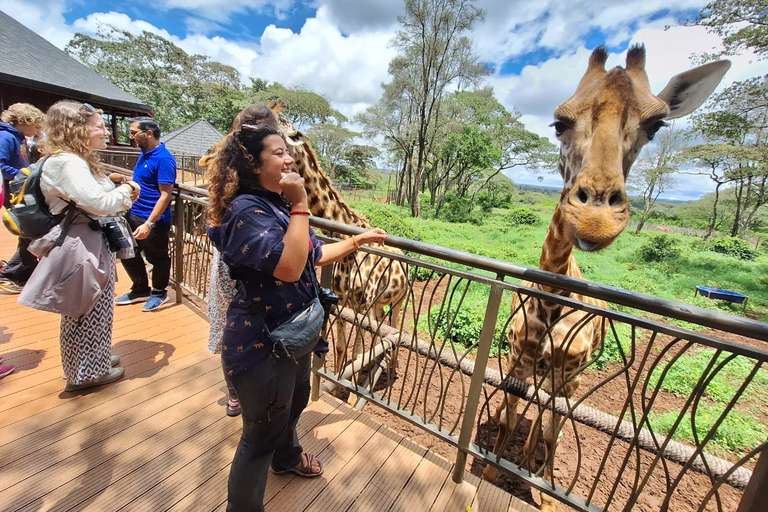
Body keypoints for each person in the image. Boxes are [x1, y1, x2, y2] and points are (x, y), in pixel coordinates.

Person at [206, 108, 387, 512]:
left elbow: (313, 254)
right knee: (258, 437)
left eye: (287, 151)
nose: (289, 159)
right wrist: (302, 202)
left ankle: (286, 459)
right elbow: (288, 269)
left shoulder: (273, 205)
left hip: (291, 337)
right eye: (277, 153)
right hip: (262, 343)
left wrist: (359, 240)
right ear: (253, 165)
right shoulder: (246, 212)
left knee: (294, 404)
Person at [17, 101, 140, 392]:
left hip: (85, 241)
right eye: (98, 126)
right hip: (81, 244)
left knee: (89, 308)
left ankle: (92, 361)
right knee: (86, 310)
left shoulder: (66, 159)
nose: (105, 133)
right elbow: (100, 204)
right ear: (77, 129)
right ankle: (84, 374)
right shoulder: (69, 162)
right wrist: (127, 190)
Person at [201, 103, 282, 419]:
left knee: (229, 329)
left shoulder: (226, 161)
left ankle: (236, 396)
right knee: (265, 327)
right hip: (259, 258)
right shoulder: (266, 169)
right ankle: (264, 397)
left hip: (227, 259)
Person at [114, 117, 176, 312]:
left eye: (134, 133)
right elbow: (145, 180)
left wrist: (149, 223)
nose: (131, 137)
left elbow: (165, 195)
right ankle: (140, 288)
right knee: (128, 252)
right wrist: (125, 178)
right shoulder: (144, 154)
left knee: (157, 257)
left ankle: (159, 293)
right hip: (134, 213)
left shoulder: (164, 159)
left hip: (153, 219)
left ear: (148, 133)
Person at [0, 103, 45, 292]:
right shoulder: (7, 137)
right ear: (21, 121)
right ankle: (15, 273)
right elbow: (1, 165)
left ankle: (17, 272)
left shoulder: (18, 138)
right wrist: (24, 174)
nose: (37, 130)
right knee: (28, 230)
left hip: (20, 190)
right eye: (34, 126)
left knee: (27, 231)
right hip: (14, 191)